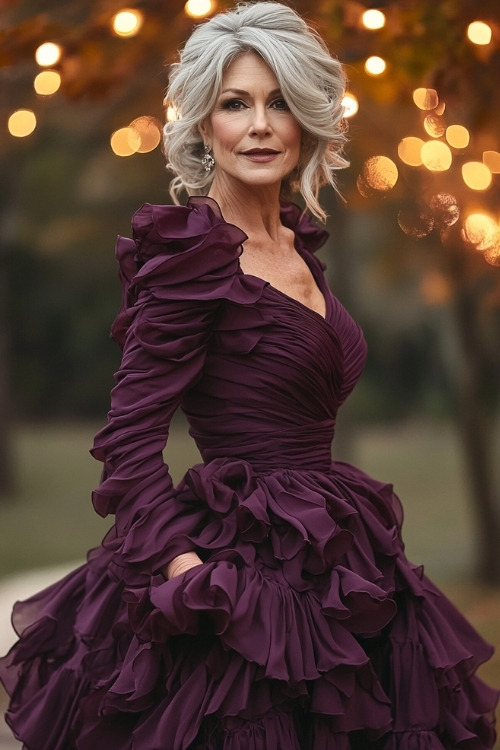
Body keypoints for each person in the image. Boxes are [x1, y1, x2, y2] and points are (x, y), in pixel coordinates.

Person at [1, 2, 498, 748]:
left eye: (278, 103)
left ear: (306, 121)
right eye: (236, 104)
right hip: (239, 582)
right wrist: (187, 569)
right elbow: (129, 445)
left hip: (339, 552)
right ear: (204, 124)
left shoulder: (298, 247)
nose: (260, 125)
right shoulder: (192, 261)